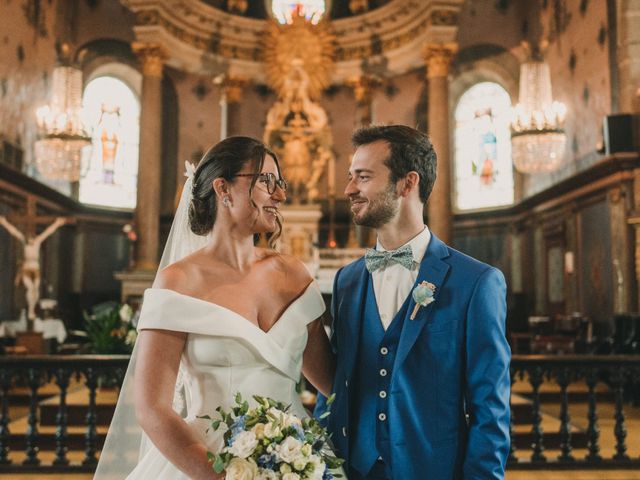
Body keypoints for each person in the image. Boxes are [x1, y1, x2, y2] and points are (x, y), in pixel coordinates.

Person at [95, 136, 335, 479]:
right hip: (207, 461)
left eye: (279, 183)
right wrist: (224, 475)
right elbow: (152, 408)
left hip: (296, 460)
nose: (280, 195)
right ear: (223, 189)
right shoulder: (178, 281)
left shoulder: (294, 274)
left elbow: (333, 383)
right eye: (266, 181)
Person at [317, 125, 511, 479]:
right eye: (350, 177)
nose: (348, 189)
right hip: (353, 469)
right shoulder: (347, 280)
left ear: (407, 183)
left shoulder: (476, 283)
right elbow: (334, 387)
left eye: (362, 177)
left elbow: (490, 407)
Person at [0, 216, 69, 321]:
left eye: (31, 239)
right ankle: (31, 311)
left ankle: (32, 309)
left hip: (35, 270)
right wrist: (4, 222)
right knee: (30, 288)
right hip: (26, 269)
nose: (30, 241)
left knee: (36, 290)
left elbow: (47, 232)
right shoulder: (23, 241)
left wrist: (57, 223)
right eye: (28, 239)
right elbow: (13, 231)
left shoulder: (37, 241)